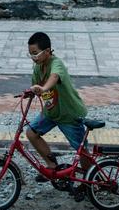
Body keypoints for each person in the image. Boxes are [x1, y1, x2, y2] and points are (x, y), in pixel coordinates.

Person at [25, 32, 89, 201]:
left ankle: (88, 181)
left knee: (81, 150)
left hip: (69, 114)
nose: (33, 57)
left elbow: (54, 77)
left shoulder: (56, 63)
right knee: (31, 133)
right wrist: (30, 92)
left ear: (47, 51)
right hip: (51, 113)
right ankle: (52, 166)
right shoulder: (38, 67)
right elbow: (35, 87)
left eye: (35, 53)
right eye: (30, 54)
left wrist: (44, 88)